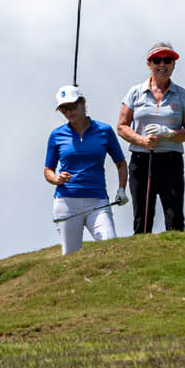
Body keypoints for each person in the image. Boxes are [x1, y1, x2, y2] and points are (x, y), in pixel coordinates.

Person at [116, 41, 185, 233]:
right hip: (142, 159)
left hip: (171, 160)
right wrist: (142, 140)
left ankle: (176, 258)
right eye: (157, 60)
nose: (163, 65)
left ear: (173, 64)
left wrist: (169, 134)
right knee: (142, 217)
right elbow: (121, 126)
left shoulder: (182, 95)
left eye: (167, 60)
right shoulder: (135, 93)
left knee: (174, 215)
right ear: (149, 64)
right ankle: (142, 261)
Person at [46, 85, 128, 256]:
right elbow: (48, 170)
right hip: (67, 201)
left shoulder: (104, 131)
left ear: (82, 102)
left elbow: (120, 163)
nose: (69, 112)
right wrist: (56, 179)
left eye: (72, 106)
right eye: (63, 109)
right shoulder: (57, 135)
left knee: (111, 247)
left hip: (98, 200)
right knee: (71, 255)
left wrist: (121, 189)